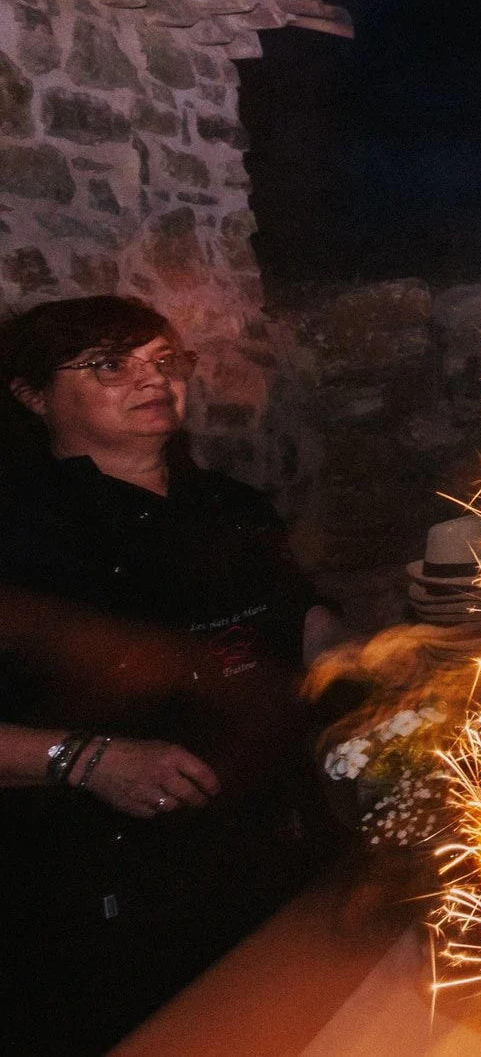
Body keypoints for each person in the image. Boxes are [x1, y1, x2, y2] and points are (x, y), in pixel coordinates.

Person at [0, 296, 338, 1055]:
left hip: (270, 840)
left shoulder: (231, 505)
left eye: (163, 361)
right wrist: (87, 758)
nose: (153, 379)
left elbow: (297, 619)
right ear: (32, 394)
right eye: (109, 365)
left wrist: (368, 658)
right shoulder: (17, 530)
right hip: (100, 887)